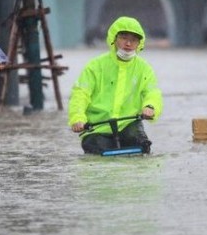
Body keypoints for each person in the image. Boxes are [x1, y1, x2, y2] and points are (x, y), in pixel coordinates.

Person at [68, 16, 163, 155]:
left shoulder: (144, 69)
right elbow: (80, 94)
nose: (128, 43)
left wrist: (150, 107)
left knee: (142, 147)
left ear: (139, 44)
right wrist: (77, 118)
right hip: (97, 127)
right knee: (98, 152)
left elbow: (152, 92)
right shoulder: (95, 66)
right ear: (114, 38)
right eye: (124, 37)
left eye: (134, 40)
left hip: (128, 124)